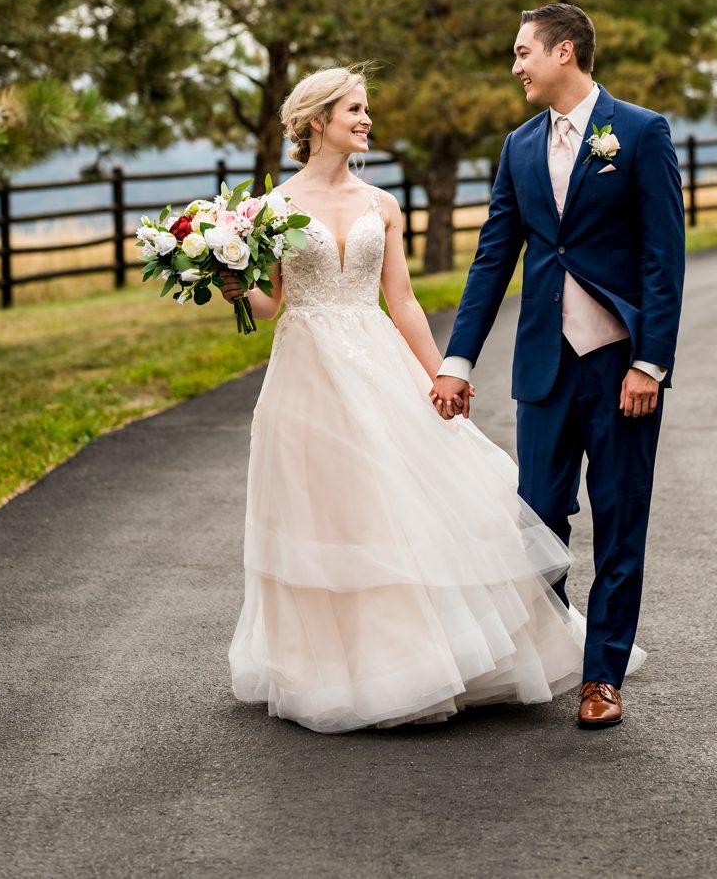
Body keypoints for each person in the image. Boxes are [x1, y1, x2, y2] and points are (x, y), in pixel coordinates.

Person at [224, 65, 622, 733]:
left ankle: (430, 659)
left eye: (367, 109)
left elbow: (402, 301)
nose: (367, 120)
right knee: (335, 512)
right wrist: (236, 285)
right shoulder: (270, 210)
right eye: (354, 109)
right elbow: (270, 306)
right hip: (309, 371)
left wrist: (444, 373)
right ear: (317, 119)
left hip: (378, 358)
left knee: (403, 501)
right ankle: (341, 670)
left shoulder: (382, 204)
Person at [431, 4, 686, 731]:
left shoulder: (640, 133)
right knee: (538, 518)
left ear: (563, 52)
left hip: (621, 366)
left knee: (619, 519)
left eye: (523, 53)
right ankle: (559, 643)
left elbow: (663, 261)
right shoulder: (517, 147)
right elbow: (492, 260)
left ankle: (602, 676)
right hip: (544, 363)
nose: (515, 67)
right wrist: (456, 359)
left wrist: (651, 363)